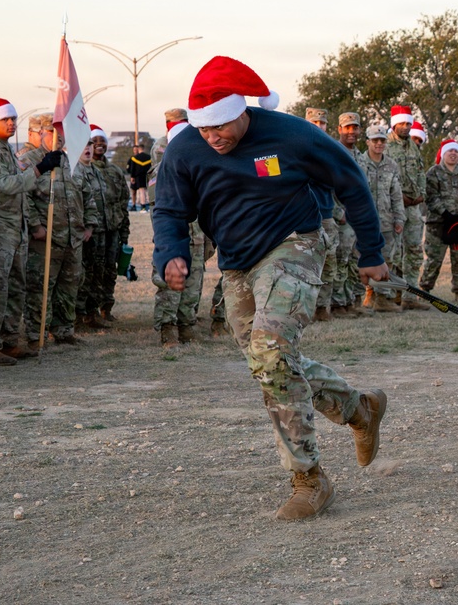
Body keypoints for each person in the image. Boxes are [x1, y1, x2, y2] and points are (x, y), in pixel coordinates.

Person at [152, 56, 389, 521]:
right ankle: (358, 408)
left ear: (243, 111)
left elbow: (352, 183)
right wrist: (170, 253)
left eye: (221, 126)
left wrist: (371, 253)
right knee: (271, 364)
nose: (212, 137)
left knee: (271, 351)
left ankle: (309, 479)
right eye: (204, 129)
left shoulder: (292, 134)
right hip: (238, 264)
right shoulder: (185, 151)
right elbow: (168, 210)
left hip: (294, 243)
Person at [0, 97, 62, 365]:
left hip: (13, 228)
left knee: (16, 286)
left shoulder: (6, 149)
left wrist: (44, 162)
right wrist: (40, 167)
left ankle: (9, 340)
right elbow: (8, 184)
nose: (12, 123)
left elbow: (20, 173)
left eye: (13, 119)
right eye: (5, 119)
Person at [19, 115, 98, 349]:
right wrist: (35, 225)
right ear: (41, 133)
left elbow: (86, 194)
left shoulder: (70, 159)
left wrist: (89, 225)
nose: (58, 136)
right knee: (41, 287)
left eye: (61, 131)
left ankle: (64, 330)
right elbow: (24, 196)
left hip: (72, 238)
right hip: (46, 239)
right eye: (52, 131)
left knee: (69, 284)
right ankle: (36, 334)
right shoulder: (30, 161)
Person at [149, 109, 205, 347]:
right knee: (170, 283)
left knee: (194, 282)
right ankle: (168, 328)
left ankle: (186, 324)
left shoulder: (201, 169)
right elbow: (160, 208)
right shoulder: (162, 172)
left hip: (198, 235)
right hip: (175, 237)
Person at [420, 139, 458, 303]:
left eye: (456, 151)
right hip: (438, 225)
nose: (453, 154)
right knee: (434, 260)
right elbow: (430, 196)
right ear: (444, 153)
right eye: (450, 151)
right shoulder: (433, 172)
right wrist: (445, 213)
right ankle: (425, 291)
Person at [358, 124, 405, 312]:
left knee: (387, 259)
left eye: (382, 140)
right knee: (361, 259)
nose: (379, 144)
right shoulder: (359, 163)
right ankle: (368, 294)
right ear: (368, 141)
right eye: (375, 140)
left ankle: (383, 297)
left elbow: (396, 194)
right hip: (363, 221)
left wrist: (399, 218)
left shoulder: (391, 165)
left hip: (386, 220)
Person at [386, 105, 429, 310]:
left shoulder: (413, 146)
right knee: (393, 253)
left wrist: (422, 194)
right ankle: (392, 295)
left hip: (414, 207)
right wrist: (398, 197)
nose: (405, 127)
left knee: (414, 250)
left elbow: (421, 172)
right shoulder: (385, 145)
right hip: (394, 207)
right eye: (402, 124)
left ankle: (410, 296)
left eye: (408, 124)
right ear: (394, 124)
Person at [89, 125, 131, 323]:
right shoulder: (84, 170)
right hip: (94, 231)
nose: (99, 144)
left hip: (113, 230)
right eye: (95, 141)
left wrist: (124, 232)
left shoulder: (115, 171)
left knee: (110, 271)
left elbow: (123, 203)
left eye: (102, 141)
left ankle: (107, 307)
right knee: (93, 271)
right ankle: (90, 311)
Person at [305, 107, 341, 323]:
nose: (319, 127)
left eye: (322, 123)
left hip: (326, 215)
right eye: (314, 122)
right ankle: (304, 309)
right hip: (302, 216)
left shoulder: (331, 149)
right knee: (304, 264)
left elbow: (333, 180)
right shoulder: (295, 146)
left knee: (328, 263)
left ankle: (322, 307)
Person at [75, 127, 112, 330]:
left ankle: (91, 313)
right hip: (84, 232)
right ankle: (78, 316)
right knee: (83, 274)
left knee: (97, 273)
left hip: (99, 231)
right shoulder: (75, 170)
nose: (88, 148)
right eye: (85, 144)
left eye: (89, 144)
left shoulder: (95, 171)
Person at [334, 111, 366, 317]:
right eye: (347, 128)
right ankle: (337, 305)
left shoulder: (360, 157)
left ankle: (352, 302)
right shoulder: (334, 152)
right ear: (339, 130)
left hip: (357, 217)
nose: (351, 132)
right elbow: (327, 186)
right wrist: (338, 212)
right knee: (340, 261)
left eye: (355, 127)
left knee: (354, 261)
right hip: (340, 218)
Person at [127, 144, 151, 211]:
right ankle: (149, 205)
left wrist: (132, 176)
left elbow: (132, 168)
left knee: (141, 191)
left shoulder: (135, 158)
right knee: (147, 190)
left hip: (138, 176)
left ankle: (143, 206)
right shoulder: (148, 157)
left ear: (139, 149)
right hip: (147, 175)